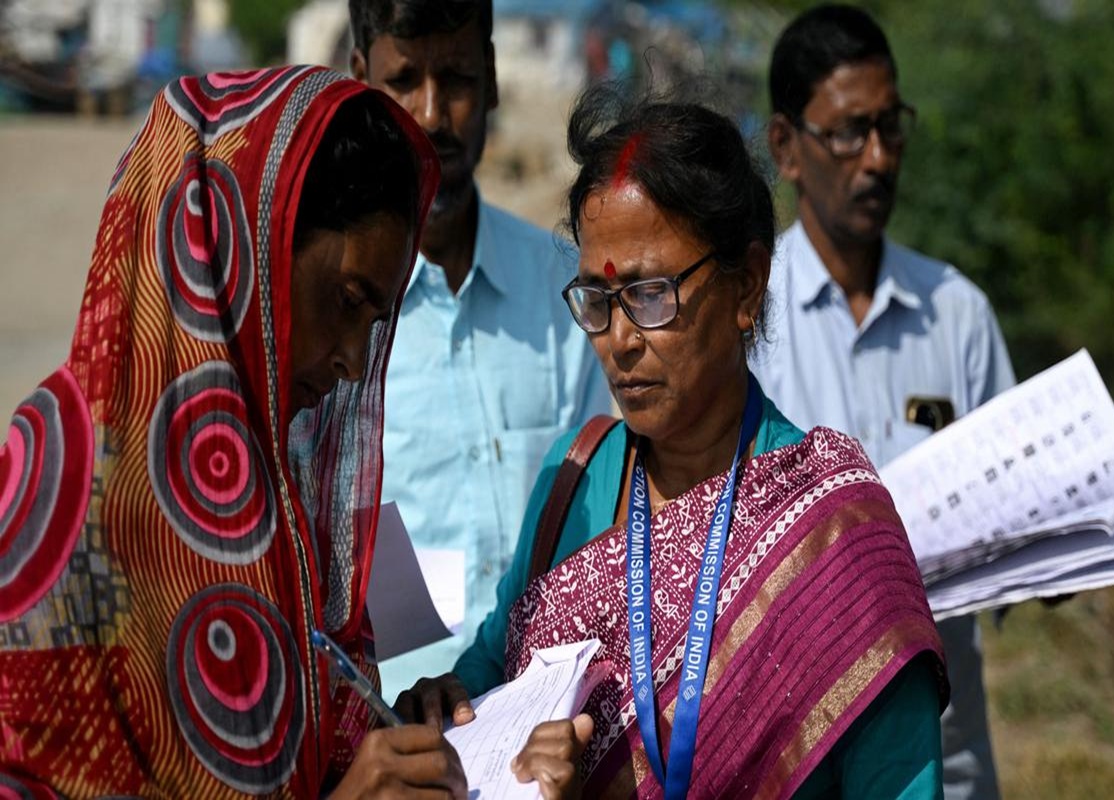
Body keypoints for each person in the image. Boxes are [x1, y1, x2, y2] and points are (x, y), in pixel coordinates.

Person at [413, 83, 949, 798]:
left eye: (650, 293)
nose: (620, 341)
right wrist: (447, 709)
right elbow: (490, 674)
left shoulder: (835, 530)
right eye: (597, 302)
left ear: (747, 286)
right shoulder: (573, 481)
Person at [0, 66, 467, 798]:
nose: (351, 361)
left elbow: (315, 730)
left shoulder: (285, 478)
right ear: (247, 244)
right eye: (345, 300)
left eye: (374, 324)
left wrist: (393, 735)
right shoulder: (61, 482)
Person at [754, 6, 1014, 799]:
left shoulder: (957, 313)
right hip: (797, 771)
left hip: (950, 761)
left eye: (891, 127)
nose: (877, 158)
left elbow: (1020, 507)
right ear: (785, 148)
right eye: (847, 132)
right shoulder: (744, 320)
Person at [347, 0, 611, 695]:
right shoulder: (341, 317)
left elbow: (600, 492)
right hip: (401, 720)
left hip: (557, 708)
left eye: (457, 79)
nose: (433, 116)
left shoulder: (564, 287)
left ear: (492, 79)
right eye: (404, 82)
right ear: (359, 84)